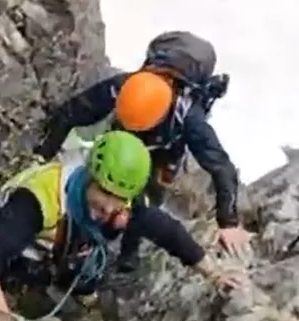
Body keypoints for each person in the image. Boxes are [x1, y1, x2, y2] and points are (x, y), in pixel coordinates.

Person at [0, 130, 243, 321]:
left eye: (118, 198)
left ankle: (79, 291)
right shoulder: (39, 198)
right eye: (104, 192)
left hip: (58, 242)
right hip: (16, 244)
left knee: (90, 258)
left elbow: (168, 232)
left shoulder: (123, 202)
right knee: (1, 271)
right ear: (90, 176)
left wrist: (214, 274)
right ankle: (12, 290)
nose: (108, 206)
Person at [33, 31, 251, 272]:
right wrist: (41, 155)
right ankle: (89, 231)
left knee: (147, 199)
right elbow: (73, 112)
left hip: (164, 150)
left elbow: (221, 166)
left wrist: (228, 222)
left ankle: (129, 250)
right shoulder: (123, 87)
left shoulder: (189, 118)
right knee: (108, 181)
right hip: (125, 139)